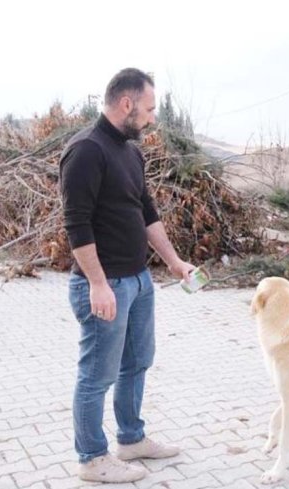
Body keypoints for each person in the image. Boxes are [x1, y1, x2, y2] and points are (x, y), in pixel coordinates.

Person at [60, 68, 196, 483]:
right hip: (104, 286)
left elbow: (147, 213)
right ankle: (91, 459)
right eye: (150, 109)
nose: (153, 117)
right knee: (96, 375)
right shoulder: (85, 150)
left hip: (138, 280)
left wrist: (173, 262)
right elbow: (76, 224)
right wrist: (98, 284)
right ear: (126, 104)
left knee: (137, 363)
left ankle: (132, 439)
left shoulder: (130, 152)